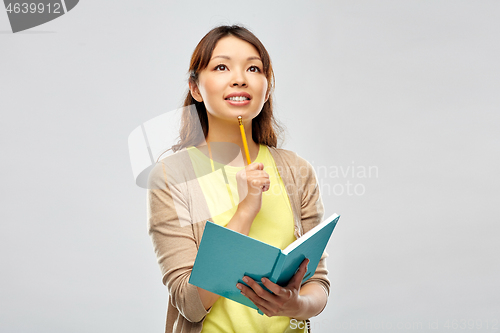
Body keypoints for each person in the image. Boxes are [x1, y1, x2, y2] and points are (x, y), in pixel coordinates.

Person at [147, 25, 329, 333]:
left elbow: (318, 284)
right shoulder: (171, 177)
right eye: (221, 66)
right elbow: (189, 304)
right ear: (195, 88)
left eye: (253, 68)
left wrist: (294, 304)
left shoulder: (297, 170)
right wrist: (245, 211)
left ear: (266, 87)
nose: (240, 78)